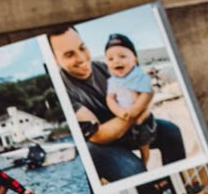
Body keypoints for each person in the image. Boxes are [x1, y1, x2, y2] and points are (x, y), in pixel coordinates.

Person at [48, 25, 186, 182]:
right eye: (69, 54)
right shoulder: (63, 91)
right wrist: (137, 108)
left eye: (82, 48)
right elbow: (98, 135)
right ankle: (146, 193)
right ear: (55, 59)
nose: (82, 58)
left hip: (126, 128)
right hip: (100, 146)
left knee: (171, 132)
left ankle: (176, 184)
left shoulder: (104, 68)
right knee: (133, 171)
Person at [103, 33, 156, 168]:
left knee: (143, 143)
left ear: (134, 60)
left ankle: (145, 162)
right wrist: (119, 111)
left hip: (141, 117)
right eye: (111, 59)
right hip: (123, 117)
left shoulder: (139, 76)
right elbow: (110, 98)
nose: (116, 61)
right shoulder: (112, 81)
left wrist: (136, 110)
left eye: (122, 56)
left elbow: (147, 94)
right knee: (122, 140)